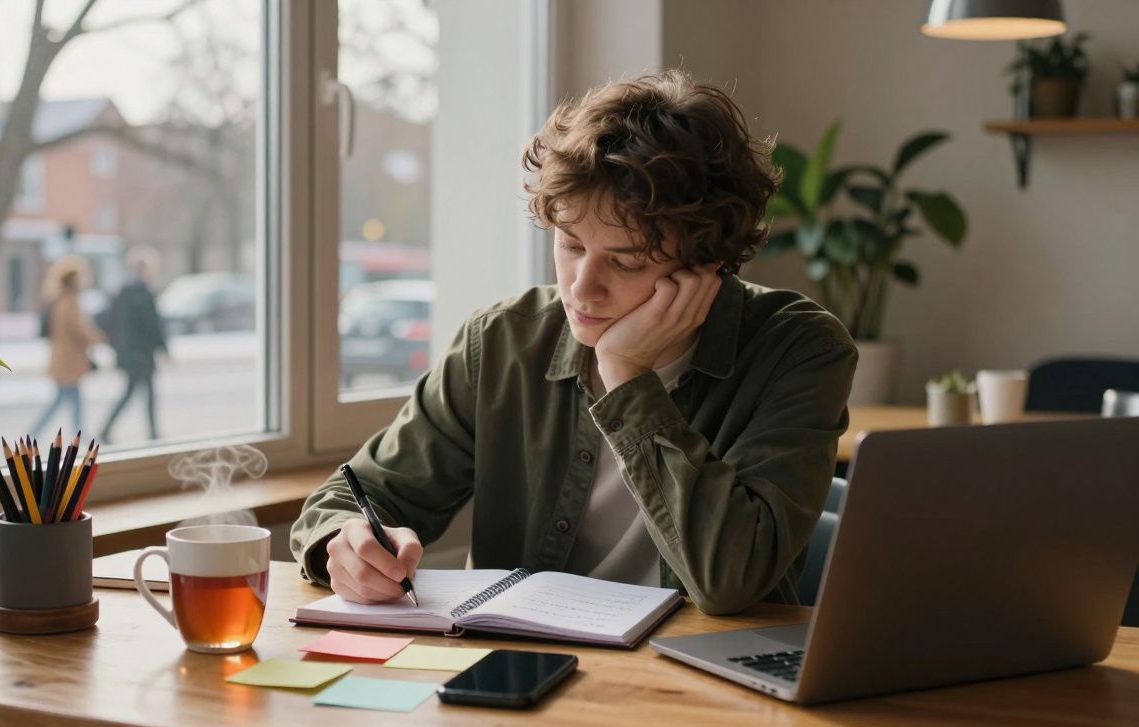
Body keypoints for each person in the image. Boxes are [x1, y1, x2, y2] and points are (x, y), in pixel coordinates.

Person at [289, 70, 858, 615]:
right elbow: (351, 499)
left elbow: (732, 581)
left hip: (696, 675)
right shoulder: (502, 341)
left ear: (707, 263)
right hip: (524, 664)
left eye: (627, 261)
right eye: (570, 245)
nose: (582, 288)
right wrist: (346, 542)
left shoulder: (799, 349)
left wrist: (628, 377)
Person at [98, 246, 168, 444]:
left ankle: (110, 429)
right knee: (141, 392)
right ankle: (151, 432)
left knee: (136, 392)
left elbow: (109, 322)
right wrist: (164, 349)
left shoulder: (123, 292)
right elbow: (153, 326)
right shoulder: (143, 294)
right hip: (142, 353)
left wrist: (117, 347)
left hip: (129, 353)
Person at [31, 256, 105, 438]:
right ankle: (33, 435)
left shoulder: (60, 299)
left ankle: (79, 434)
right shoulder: (68, 301)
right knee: (61, 400)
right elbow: (76, 328)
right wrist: (96, 337)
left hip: (66, 360)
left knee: (71, 399)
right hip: (68, 360)